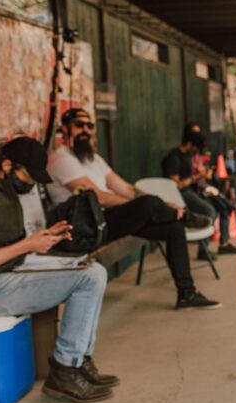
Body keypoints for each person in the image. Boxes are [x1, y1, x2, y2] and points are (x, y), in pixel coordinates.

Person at [0, 137, 117, 403]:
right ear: (6, 165)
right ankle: (65, 369)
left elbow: (4, 245)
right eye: (29, 177)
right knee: (88, 278)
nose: (31, 185)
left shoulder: (4, 192)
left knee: (92, 270)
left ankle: (77, 361)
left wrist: (42, 238)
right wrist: (27, 244)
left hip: (0, 278)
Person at [47, 108, 221, 310]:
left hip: (105, 220)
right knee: (147, 204)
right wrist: (142, 206)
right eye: (79, 125)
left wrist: (157, 205)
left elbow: (127, 188)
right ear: (66, 129)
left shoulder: (93, 158)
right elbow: (97, 197)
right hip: (83, 227)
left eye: (89, 125)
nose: (85, 130)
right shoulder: (62, 160)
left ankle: (187, 294)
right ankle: (184, 216)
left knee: (172, 227)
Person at [162, 129, 236, 255]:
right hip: (182, 193)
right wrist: (196, 177)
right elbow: (175, 185)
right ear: (189, 144)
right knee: (209, 210)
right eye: (195, 147)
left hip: (195, 190)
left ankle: (224, 243)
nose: (196, 151)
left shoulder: (188, 156)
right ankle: (203, 250)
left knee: (223, 205)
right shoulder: (174, 157)